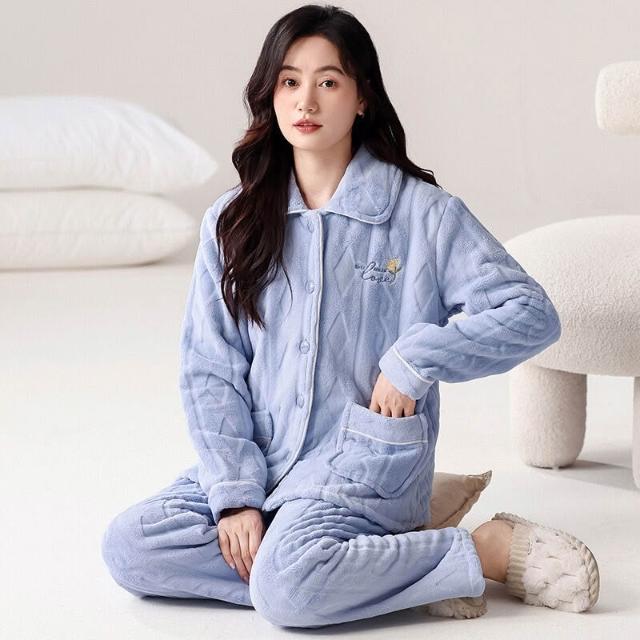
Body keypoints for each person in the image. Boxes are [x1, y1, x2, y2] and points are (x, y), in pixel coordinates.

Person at [101, 3, 600, 628]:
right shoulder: (232, 221)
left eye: (328, 81)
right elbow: (211, 368)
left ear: (362, 97)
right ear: (270, 94)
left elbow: (531, 313)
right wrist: (234, 497)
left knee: (288, 590)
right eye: (289, 81)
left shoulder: (422, 213)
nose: (305, 100)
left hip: (364, 465)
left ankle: (483, 550)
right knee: (132, 548)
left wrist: (416, 359)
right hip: (264, 459)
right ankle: (384, 572)